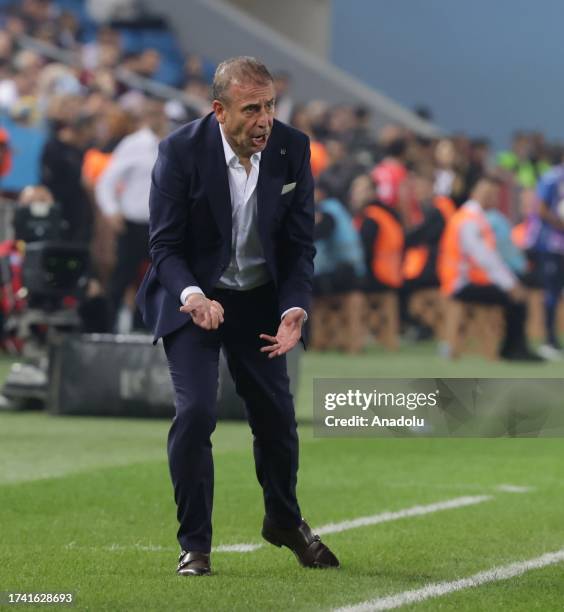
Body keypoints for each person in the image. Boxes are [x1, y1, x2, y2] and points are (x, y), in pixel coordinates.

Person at [136, 57, 339, 576]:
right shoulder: (179, 150)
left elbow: (298, 245)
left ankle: (284, 521)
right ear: (219, 110)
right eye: (252, 109)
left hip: (258, 300)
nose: (265, 120)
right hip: (195, 297)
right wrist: (193, 296)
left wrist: (295, 308)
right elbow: (164, 244)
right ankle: (195, 546)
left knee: (277, 418)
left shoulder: (293, 147)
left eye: (270, 106)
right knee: (198, 411)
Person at [438, 175, 541, 361]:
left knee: (516, 293)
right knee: (516, 299)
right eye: (486, 192)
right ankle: (514, 349)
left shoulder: (474, 218)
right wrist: (510, 284)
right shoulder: (468, 221)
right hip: (461, 283)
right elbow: (485, 258)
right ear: (474, 192)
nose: (490, 197)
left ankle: (514, 347)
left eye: (493, 194)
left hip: (468, 280)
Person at [96, 98, 168, 330]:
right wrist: (111, 210)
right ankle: (104, 328)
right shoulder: (134, 144)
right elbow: (107, 179)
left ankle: (143, 329)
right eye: (154, 114)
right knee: (122, 278)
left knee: (153, 280)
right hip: (133, 222)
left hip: (160, 224)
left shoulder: (169, 144)